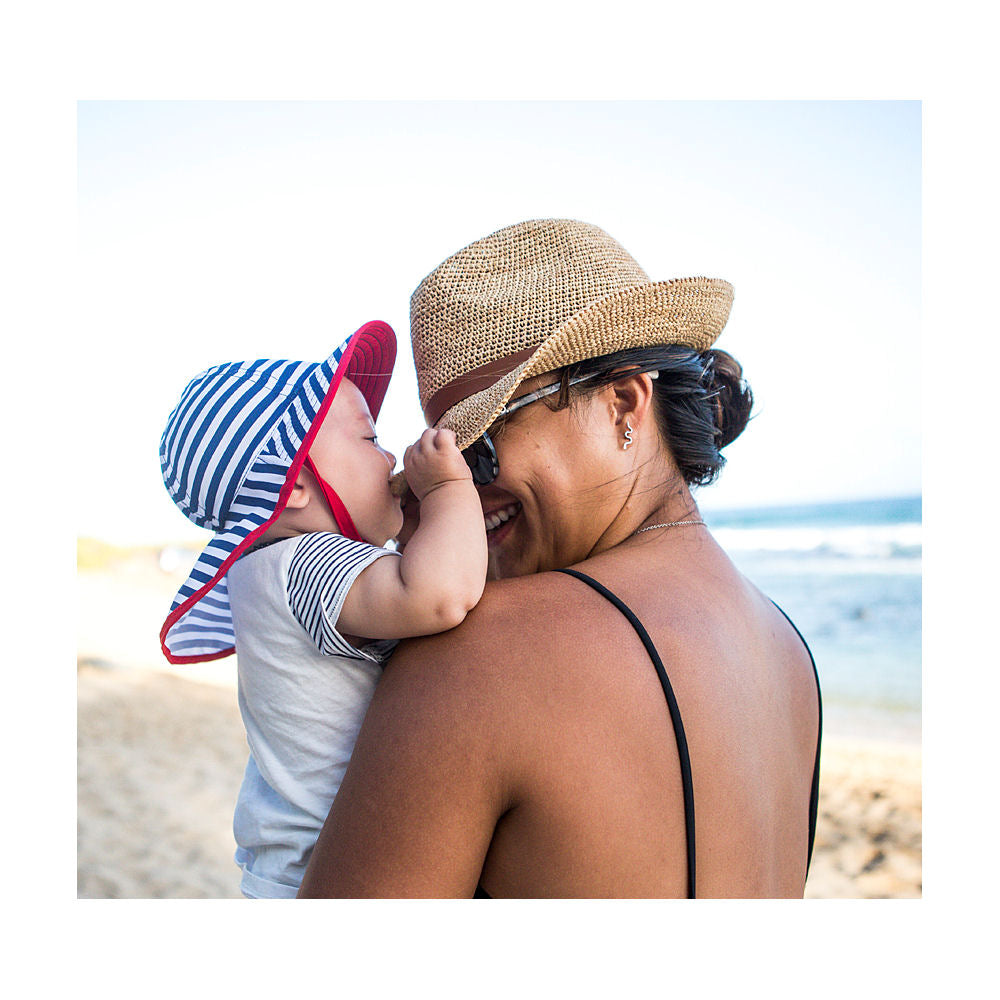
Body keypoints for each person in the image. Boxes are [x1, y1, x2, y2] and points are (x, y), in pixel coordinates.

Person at [298, 219, 822, 899]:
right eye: (445, 452)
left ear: (623, 404)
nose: (459, 484)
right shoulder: (788, 651)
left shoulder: (488, 653)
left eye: (479, 447)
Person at [158, 320, 487, 898]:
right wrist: (448, 493)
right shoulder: (307, 562)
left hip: (286, 866)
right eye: (367, 439)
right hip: (324, 866)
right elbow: (440, 595)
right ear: (295, 488)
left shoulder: (269, 571)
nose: (389, 456)